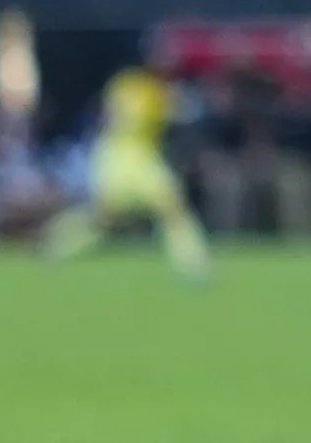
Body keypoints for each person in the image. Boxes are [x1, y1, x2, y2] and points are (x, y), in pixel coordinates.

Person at [41, 65, 214, 284]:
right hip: (124, 155)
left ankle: (194, 265)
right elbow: (138, 115)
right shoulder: (142, 88)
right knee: (107, 216)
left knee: (169, 209)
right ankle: (54, 243)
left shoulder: (136, 86)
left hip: (131, 155)